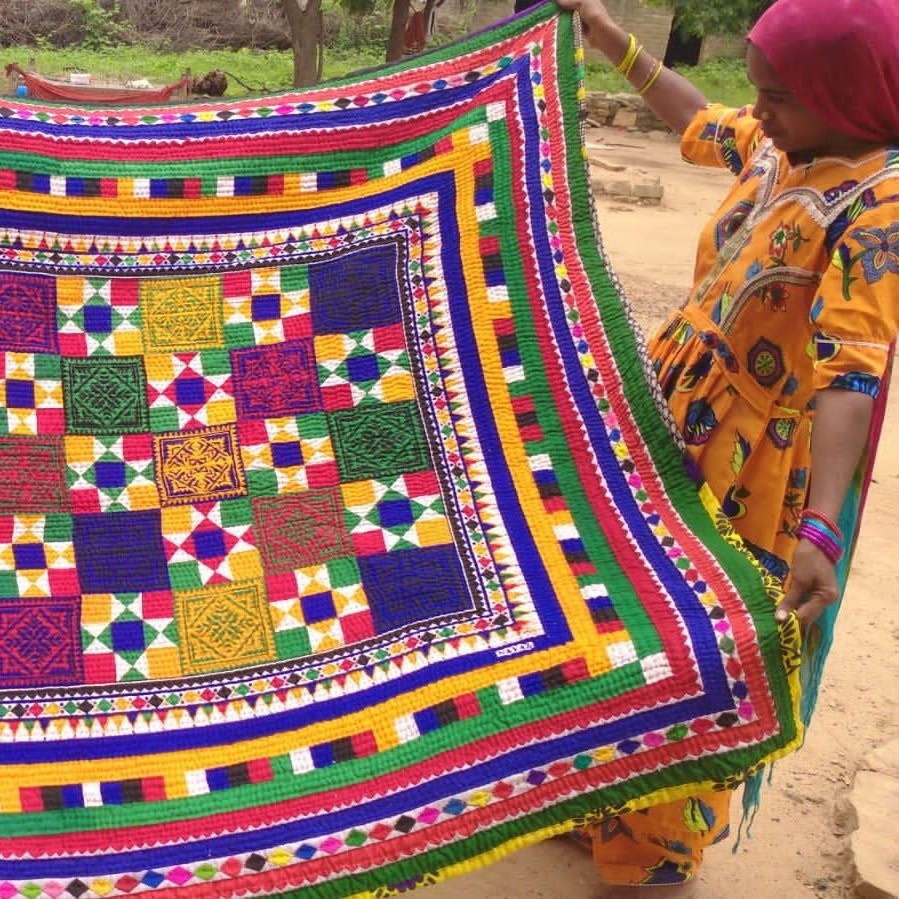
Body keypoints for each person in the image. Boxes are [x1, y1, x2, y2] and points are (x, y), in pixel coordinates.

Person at [554, 0, 899, 894]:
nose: (758, 111)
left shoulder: (880, 203)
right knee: (627, 614)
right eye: (758, 91)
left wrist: (821, 526)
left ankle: (655, 856)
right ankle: (608, 797)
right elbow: (701, 119)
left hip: (749, 472)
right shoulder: (783, 147)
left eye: (776, 96)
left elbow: (850, 370)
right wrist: (608, 37)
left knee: (701, 650)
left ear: (848, 96)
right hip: (674, 420)